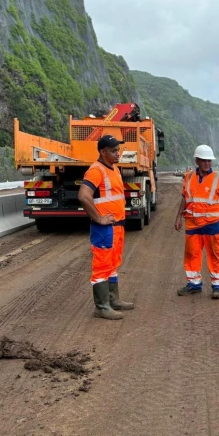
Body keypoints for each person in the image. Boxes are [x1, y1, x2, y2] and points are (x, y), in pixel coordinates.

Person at [78, 134, 135, 320]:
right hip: (104, 229)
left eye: (118, 150)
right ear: (102, 152)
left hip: (117, 227)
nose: (118, 153)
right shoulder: (96, 170)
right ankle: (102, 307)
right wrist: (99, 218)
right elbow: (84, 196)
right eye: (113, 150)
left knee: (112, 264)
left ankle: (113, 300)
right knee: (102, 266)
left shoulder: (114, 169)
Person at [174, 145, 219, 300]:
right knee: (192, 254)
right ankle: (194, 284)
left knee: (215, 254)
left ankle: (217, 286)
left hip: (211, 223)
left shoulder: (218, 178)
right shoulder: (188, 177)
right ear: (197, 161)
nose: (207, 163)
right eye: (204, 160)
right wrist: (178, 216)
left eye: (209, 161)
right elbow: (185, 198)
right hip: (192, 224)